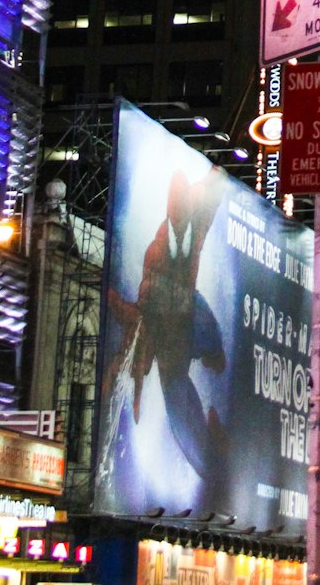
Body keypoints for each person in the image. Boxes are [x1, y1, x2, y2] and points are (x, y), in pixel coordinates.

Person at [106, 166, 227, 481]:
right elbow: (144, 307)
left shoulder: (196, 221)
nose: (180, 211)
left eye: (183, 203)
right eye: (175, 206)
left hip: (190, 314)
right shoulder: (157, 250)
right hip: (169, 342)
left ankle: (213, 458)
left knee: (201, 323)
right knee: (182, 422)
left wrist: (217, 176)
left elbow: (211, 201)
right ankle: (212, 465)